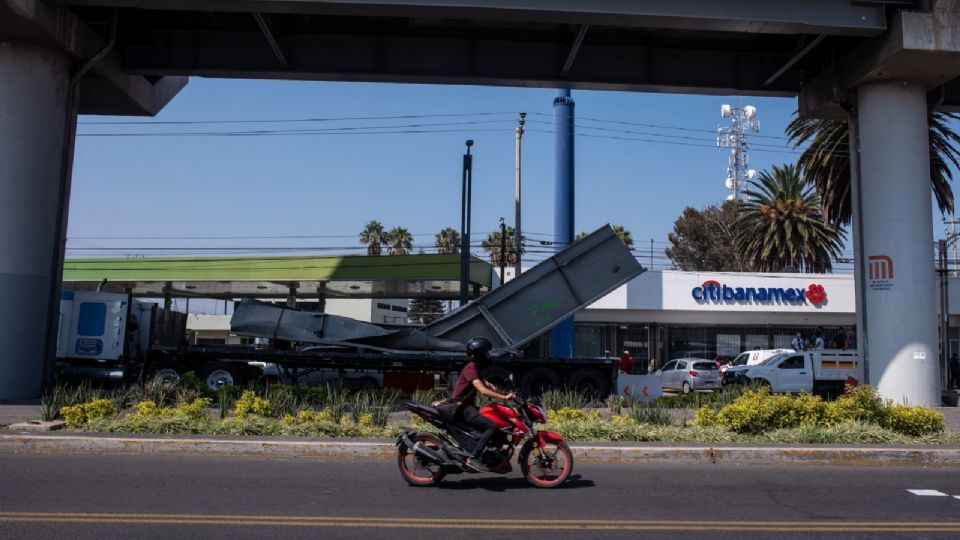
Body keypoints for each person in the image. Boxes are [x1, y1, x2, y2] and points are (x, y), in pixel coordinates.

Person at [436, 337, 515, 472]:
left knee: (494, 418)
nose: (489, 356)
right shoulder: (470, 368)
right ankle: (473, 457)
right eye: (487, 353)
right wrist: (504, 397)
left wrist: (509, 394)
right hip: (461, 408)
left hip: (467, 407)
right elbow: (483, 390)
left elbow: (489, 385)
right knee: (492, 425)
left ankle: (490, 453)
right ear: (480, 354)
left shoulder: (476, 369)